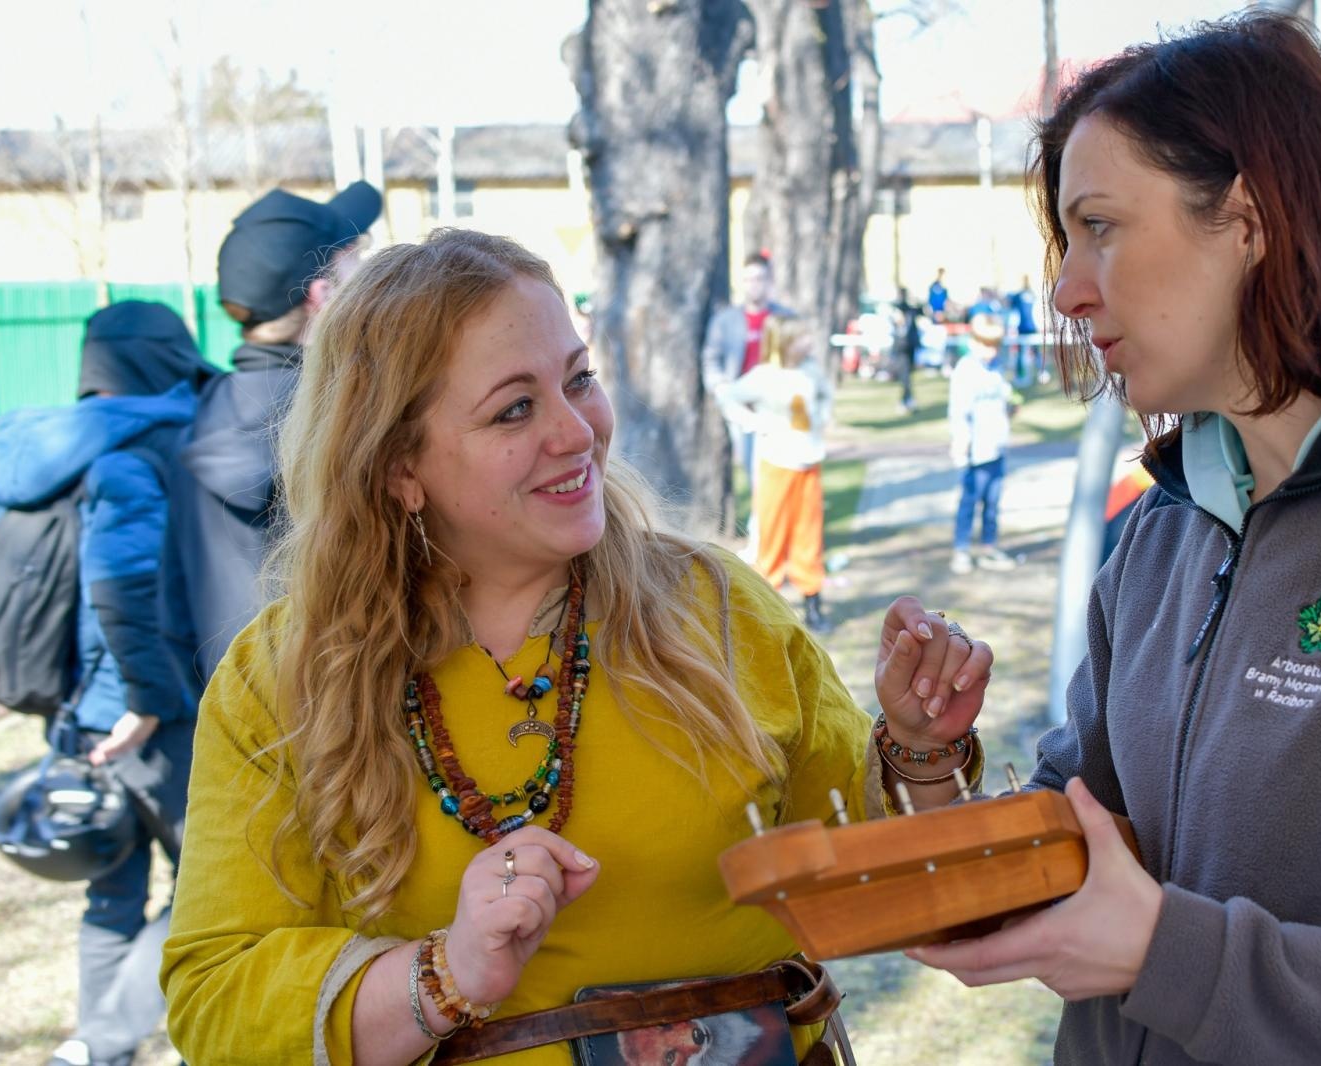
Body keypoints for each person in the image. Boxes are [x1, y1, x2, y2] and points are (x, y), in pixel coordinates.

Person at [904, 14, 1321, 1065]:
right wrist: (928, 759)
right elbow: (1078, 844)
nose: (1067, 289)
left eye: (1100, 226)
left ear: (1249, 220)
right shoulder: (1164, 525)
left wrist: (1173, 956)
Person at [160, 229, 992, 1065]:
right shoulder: (287, 676)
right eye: (514, 409)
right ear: (397, 468)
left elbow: (893, 881)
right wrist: (445, 975)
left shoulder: (718, 608)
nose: (577, 431)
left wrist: (921, 747)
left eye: (579, 380)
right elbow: (217, 995)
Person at [0, 301, 212, 1066]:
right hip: (145, 715)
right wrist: (147, 702)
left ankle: (96, 1052)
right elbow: (124, 587)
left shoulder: (49, 448)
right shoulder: (136, 452)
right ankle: (100, 1042)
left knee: (112, 889)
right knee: (200, 889)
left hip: (77, 708)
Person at [159, 180, 381, 697]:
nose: (370, 278)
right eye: (356, 263)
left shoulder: (199, 415)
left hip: (236, 717)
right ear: (323, 297)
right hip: (350, 721)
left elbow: (172, 610)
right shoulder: (349, 425)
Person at [715, 319, 836, 633]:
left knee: (809, 535)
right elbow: (728, 397)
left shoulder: (811, 371)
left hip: (808, 463)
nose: (808, 344)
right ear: (786, 342)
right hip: (778, 463)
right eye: (801, 338)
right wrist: (755, 423)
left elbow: (825, 395)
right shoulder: (765, 376)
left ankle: (813, 602)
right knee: (772, 533)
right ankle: (765, 609)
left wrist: (822, 416)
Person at [701, 252, 796, 508]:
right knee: (753, 468)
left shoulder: (785, 318)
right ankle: (765, 522)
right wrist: (721, 387)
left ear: (769, 280)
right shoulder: (725, 321)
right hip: (742, 409)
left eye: (759, 278)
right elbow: (711, 360)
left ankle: (778, 520)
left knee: (781, 468)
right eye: (748, 279)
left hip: (778, 408)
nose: (754, 285)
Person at [948, 314, 1020, 576]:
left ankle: (989, 546)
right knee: (970, 501)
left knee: (993, 502)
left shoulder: (997, 370)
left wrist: (1011, 408)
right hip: (975, 452)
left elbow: (1003, 399)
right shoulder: (965, 371)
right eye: (986, 345)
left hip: (996, 448)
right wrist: (961, 442)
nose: (991, 351)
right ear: (973, 342)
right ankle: (962, 548)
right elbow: (959, 412)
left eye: (995, 346)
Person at [890, 286, 926, 413]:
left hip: (909, 346)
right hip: (901, 347)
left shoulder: (910, 309)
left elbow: (922, 311)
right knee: (905, 375)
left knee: (907, 375)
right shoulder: (897, 308)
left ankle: (907, 399)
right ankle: (907, 400)